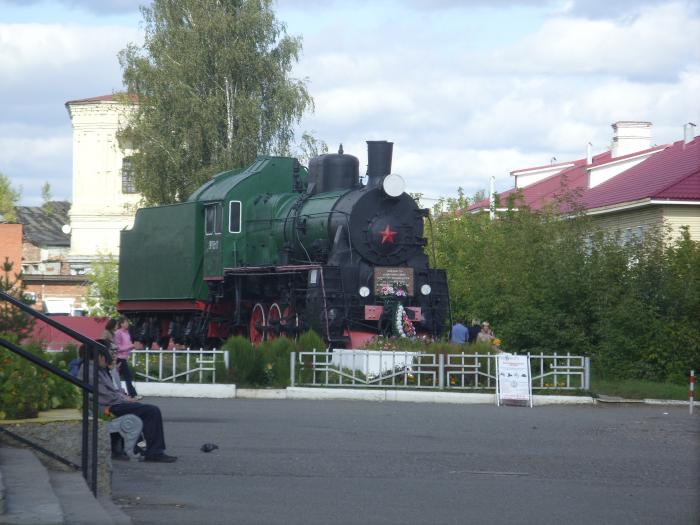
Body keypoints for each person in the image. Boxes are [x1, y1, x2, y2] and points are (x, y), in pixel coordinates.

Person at [80, 343, 177, 463]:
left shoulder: (97, 369)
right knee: (151, 411)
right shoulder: (89, 371)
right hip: (104, 411)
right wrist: (125, 400)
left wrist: (126, 400)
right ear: (99, 356)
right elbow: (106, 397)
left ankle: (143, 448)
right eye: (107, 355)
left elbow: (112, 393)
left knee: (145, 411)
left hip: (110, 406)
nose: (109, 358)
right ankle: (154, 452)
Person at [114, 316, 141, 399]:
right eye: (126, 322)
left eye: (127, 322)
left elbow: (128, 345)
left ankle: (121, 393)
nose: (127, 324)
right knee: (127, 376)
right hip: (119, 358)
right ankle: (132, 394)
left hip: (124, 357)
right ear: (121, 324)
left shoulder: (127, 333)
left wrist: (133, 346)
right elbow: (118, 347)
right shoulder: (118, 333)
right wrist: (131, 346)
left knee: (117, 377)